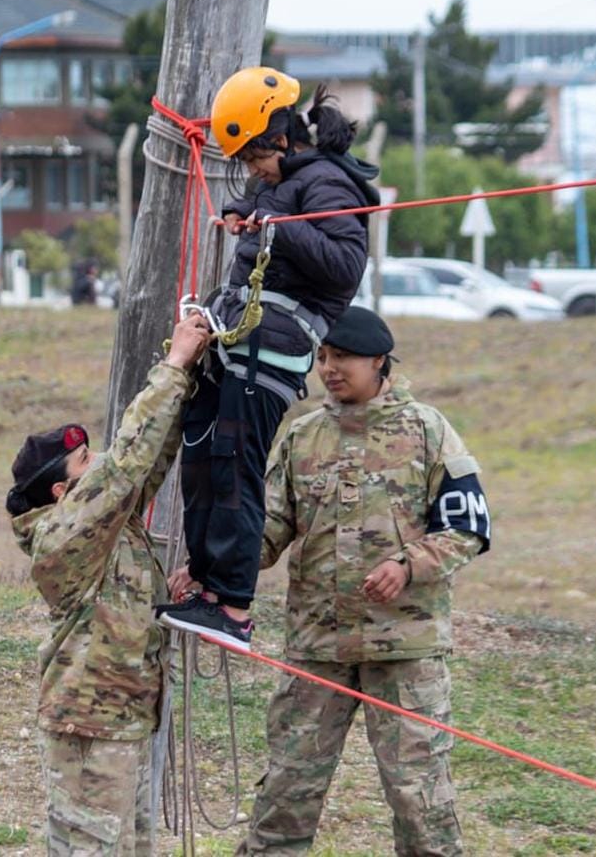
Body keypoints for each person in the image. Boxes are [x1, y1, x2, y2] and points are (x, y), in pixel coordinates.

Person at [170, 306, 490, 855]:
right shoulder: (303, 437)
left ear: (380, 362)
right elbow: (265, 528)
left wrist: (407, 565)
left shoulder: (427, 430)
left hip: (404, 650)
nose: (329, 368)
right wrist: (210, 571)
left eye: (343, 357)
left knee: (420, 800)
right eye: (322, 357)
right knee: (287, 792)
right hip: (317, 646)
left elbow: (468, 527)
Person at [157, 67, 380, 648]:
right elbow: (263, 204)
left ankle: (233, 608)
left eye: (253, 156)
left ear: (280, 138)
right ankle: (207, 586)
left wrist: (277, 227)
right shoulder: (278, 184)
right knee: (203, 460)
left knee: (235, 468)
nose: (251, 169)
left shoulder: (331, 183)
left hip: (271, 354)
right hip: (236, 344)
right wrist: (242, 211)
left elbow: (344, 265)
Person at [8, 313, 210, 857]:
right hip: (91, 726)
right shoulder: (63, 537)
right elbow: (123, 467)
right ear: (59, 490)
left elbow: (146, 464)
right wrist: (172, 367)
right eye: (82, 461)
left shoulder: (102, 524)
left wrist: (192, 380)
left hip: (123, 718)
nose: (95, 463)